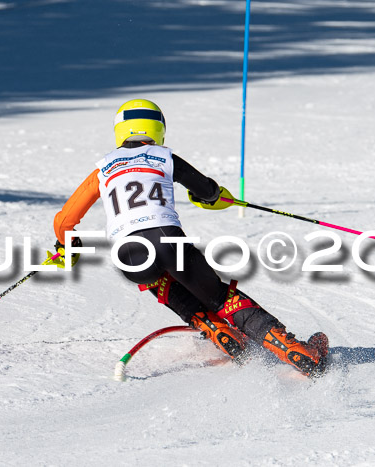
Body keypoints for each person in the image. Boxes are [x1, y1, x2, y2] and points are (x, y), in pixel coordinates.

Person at [51, 99, 329, 377]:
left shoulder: (103, 169)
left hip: (127, 254)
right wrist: (214, 197)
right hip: (166, 238)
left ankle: (217, 330)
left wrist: (67, 247)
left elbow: (66, 219)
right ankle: (296, 351)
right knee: (219, 297)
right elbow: (207, 190)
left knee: (154, 277)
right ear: (159, 128)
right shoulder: (164, 157)